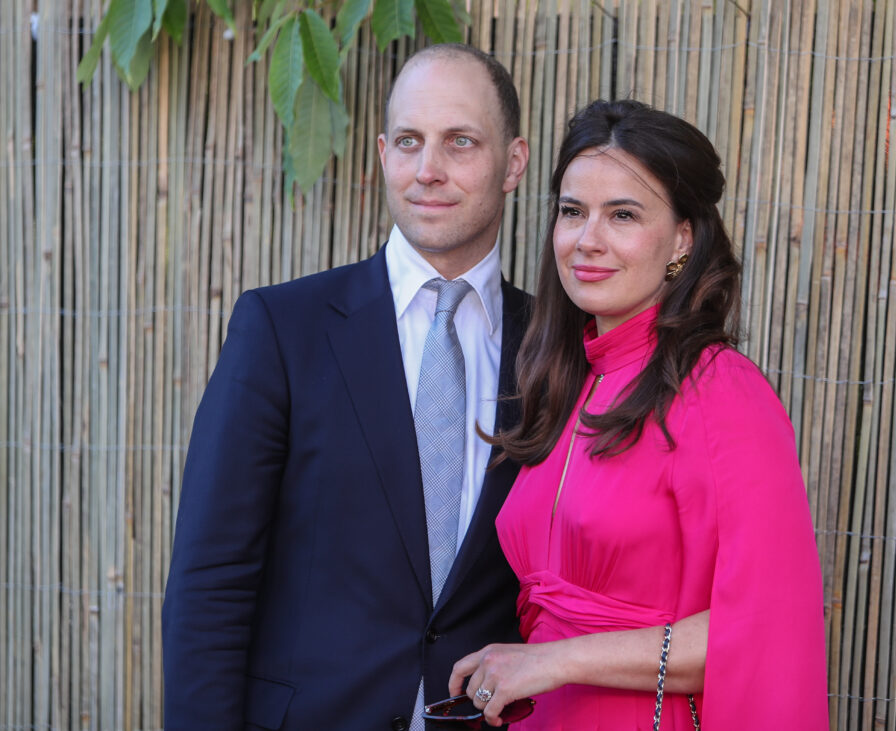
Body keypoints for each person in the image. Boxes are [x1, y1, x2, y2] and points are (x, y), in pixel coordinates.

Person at [162, 43, 531, 731]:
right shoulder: (282, 329)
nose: (430, 169)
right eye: (411, 142)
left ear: (514, 162)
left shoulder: (555, 348)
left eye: (460, 142)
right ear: (383, 154)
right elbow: (210, 581)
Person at [448, 100, 829, 729]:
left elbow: (761, 629)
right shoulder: (568, 381)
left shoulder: (722, 392)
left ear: (683, 238)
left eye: (623, 214)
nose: (587, 239)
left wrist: (557, 660)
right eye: (573, 212)